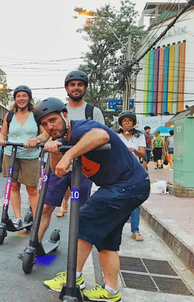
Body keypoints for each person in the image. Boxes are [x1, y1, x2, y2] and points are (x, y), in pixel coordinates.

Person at [35, 97, 149, 302]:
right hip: (124, 186)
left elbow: (102, 134)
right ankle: (111, 292)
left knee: (83, 219)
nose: (50, 126)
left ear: (65, 116)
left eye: (53, 120)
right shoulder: (62, 139)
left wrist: (69, 154)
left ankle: (74, 277)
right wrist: (54, 151)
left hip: (128, 184)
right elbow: (59, 170)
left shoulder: (81, 128)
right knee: (107, 240)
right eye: (44, 124)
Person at [44, 70, 104, 228]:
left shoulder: (93, 112)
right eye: (72, 85)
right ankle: (34, 245)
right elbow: (46, 135)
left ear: (85, 88)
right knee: (45, 207)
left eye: (80, 85)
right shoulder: (58, 111)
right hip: (58, 166)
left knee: (80, 212)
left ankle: (77, 249)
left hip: (84, 169)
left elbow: (102, 138)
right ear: (66, 88)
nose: (76, 88)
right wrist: (35, 140)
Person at [0, 85, 49, 228]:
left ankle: (38, 220)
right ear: (14, 99)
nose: (21, 99)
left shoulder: (36, 115)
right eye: (18, 96)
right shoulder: (10, 115)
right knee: (13, 185)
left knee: (32, 189)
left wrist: (36, 140)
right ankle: (18, 218)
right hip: (11, 154)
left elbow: (45, 134)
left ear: (29, 98)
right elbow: (3, 133)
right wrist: (0, 139)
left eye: (24, 96)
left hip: (30, 155)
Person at [117, 110, 146, 242]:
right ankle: (114, 229)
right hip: (118, 171)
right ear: (121, 123)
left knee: (135, 201)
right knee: (116, 200)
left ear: (133, 123)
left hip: (135, 171)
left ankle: (135, 230)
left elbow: (142, 154)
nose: (127, 123)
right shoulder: (116, 135)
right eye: (124, 121)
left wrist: (134, 150)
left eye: (129, 121)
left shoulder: (140, 136)